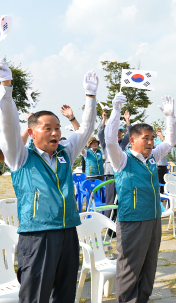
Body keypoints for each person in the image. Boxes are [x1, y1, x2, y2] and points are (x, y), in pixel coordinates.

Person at [0, 61, 98, 303]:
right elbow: (9, 125)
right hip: (38, 235)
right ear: (32, 133)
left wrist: (91, 97)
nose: (55, 133)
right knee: (36, 296)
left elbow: (85, 129)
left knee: (65, 295)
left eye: (57, 128)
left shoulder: (66, 154)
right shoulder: (20, 156)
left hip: (67, 232)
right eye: (48, 128)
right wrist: (6, 87)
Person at [105, 93, 176, 302]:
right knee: (130, 268)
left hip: (153, 217)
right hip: (132, 221)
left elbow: (171, 141)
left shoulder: (153, 157)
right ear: (133, 139)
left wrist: (170, 117)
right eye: (146, 138)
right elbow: (110, 141)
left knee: (149, 264)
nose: (151, 142)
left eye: (153, 138)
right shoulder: (122, 159)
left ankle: (142, 299)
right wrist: (116, 112)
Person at [98, 110, 131, 219]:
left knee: (121, 199)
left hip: (121, 174)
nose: (118, 134)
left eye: (120, 133)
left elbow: (130, 133)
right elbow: (100, 133)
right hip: (110, 174)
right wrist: (104, 119)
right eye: (115, 132)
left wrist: (127, 120)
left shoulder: (122, 143)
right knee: (110, 200)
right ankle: (109, 225)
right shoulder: (106, 144)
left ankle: (119, 223)